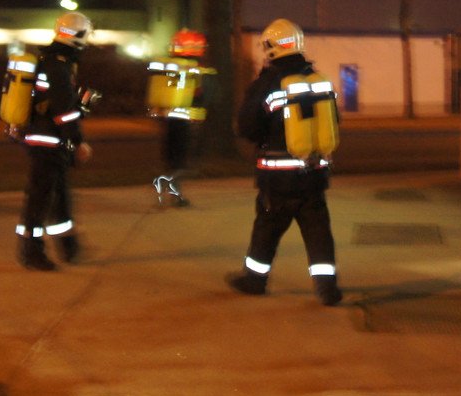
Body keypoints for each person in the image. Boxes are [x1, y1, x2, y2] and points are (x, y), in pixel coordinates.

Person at [226, 18, 343, 306]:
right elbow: (334, 122)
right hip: (314, 175)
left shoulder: (267, 84)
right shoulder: (319, 80)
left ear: (270, 48)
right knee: (318, 231)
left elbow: (247, 127)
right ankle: (327, 288)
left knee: (266, 228)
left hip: (277, 178)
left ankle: (254, 280)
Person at [15, 11, 95, 271]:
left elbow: (56, 101)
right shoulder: (59, 65)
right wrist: (79, 141)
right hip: (47, 140)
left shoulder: (52, 61)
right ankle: (31, 252)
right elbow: (64, 111)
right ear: (78, 36)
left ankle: (68, 247)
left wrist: (81, 101)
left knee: (59, 196)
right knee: (40, 199)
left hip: (46, 138)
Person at [145, 28, 215, 207]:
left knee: (172, 159)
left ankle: (173, 194)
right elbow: (203, 95)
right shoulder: (194, 70)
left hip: (167, 120)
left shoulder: (166, 66)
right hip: (185, 121)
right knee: (182, 161)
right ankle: (169, 188)